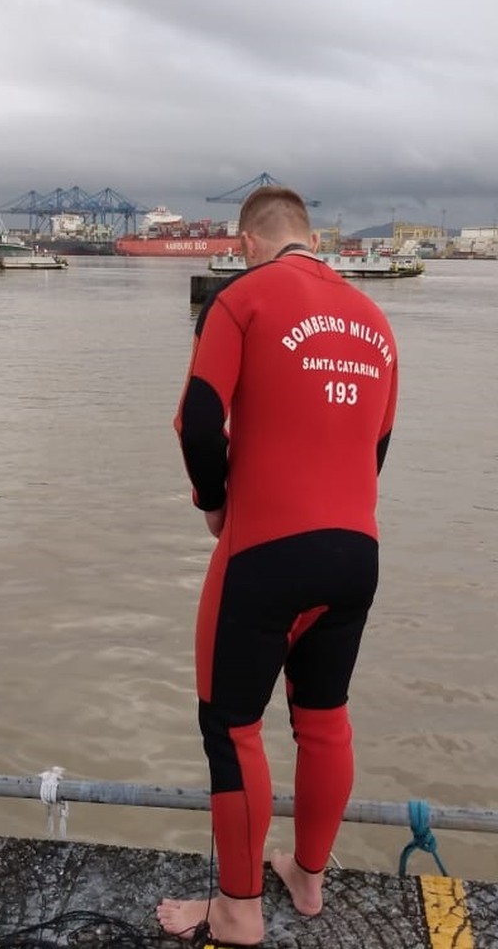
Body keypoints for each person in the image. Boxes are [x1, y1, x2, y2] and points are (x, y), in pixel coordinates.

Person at [157, 186, 398, 946]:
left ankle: (237, 909)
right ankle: (308, 877)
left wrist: (214, 502)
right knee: (324, 719)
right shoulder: (376, 321)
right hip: (356, 552)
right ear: (313, 236)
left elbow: (197, 416)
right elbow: (378, 443)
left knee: (230, 726)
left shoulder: (243, 298)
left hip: (266, 549)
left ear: (249, 241)